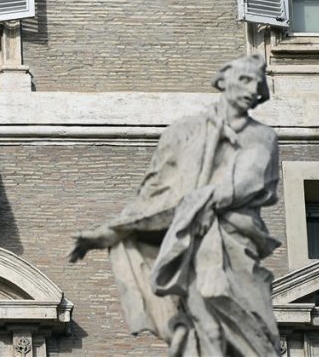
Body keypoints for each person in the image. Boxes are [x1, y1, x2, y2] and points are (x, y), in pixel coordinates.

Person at [69, 54, 280, 357]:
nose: (252, 88)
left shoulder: (262, 137)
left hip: (234, 240)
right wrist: (112, 231)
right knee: (204, 320)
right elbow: (157, 192)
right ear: (223, 82)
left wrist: (201, 202)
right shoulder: (186, 132)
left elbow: (247, 182)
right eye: (245, 79)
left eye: (258, 84)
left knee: (250, 318)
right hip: (192, 243)